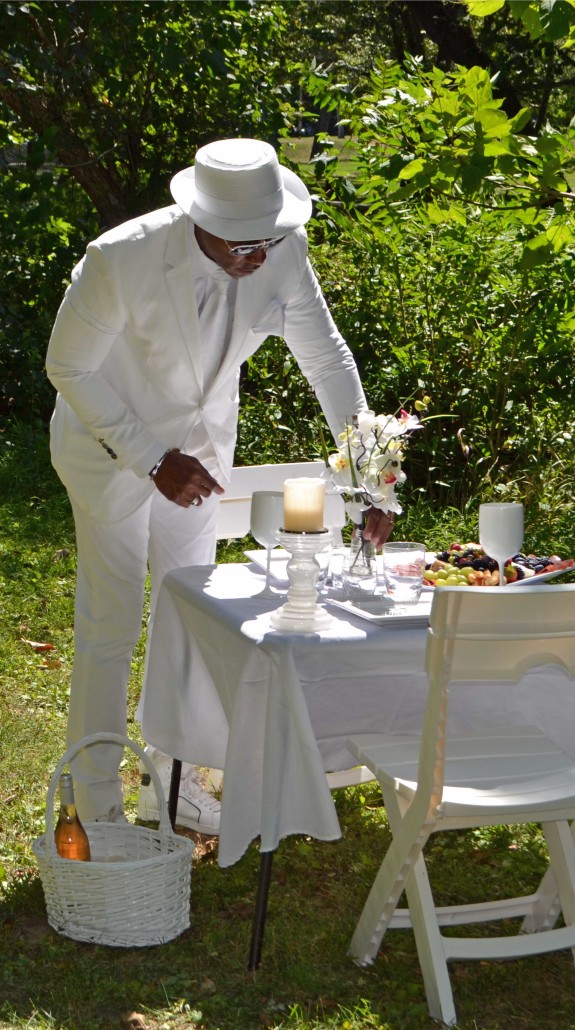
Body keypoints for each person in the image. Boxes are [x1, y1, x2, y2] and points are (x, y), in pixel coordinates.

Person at [46, 138, 390, 832]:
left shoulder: (281, 249)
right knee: (110, 624)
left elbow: (325, 358)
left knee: (190, 622)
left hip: (200, 456)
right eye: (242, 243)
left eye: (268, 238)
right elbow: (68, 368)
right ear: (198, 221)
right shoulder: (119, 257)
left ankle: (169, 782)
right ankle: (93, 796)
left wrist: (369, 478)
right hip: (108, 451)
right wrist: (149, 456)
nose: (258, 255)